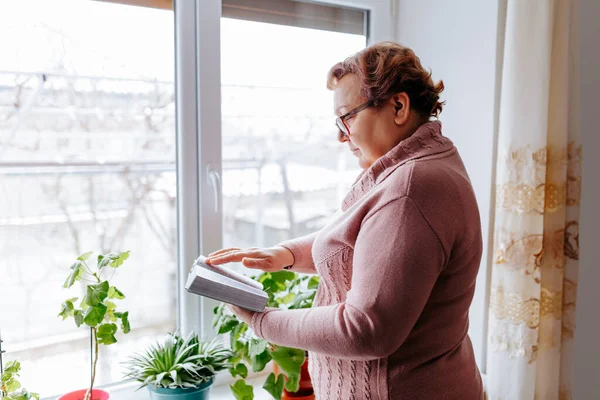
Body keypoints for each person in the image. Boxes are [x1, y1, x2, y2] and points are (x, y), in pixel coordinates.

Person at [206, 41, 484, 400]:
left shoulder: (410, 189)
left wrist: (262, 321)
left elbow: (367, 328)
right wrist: (285, 254)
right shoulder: (418, 167)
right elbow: (363, 240)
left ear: (398, 106)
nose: (340, 135)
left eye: (347, 117)